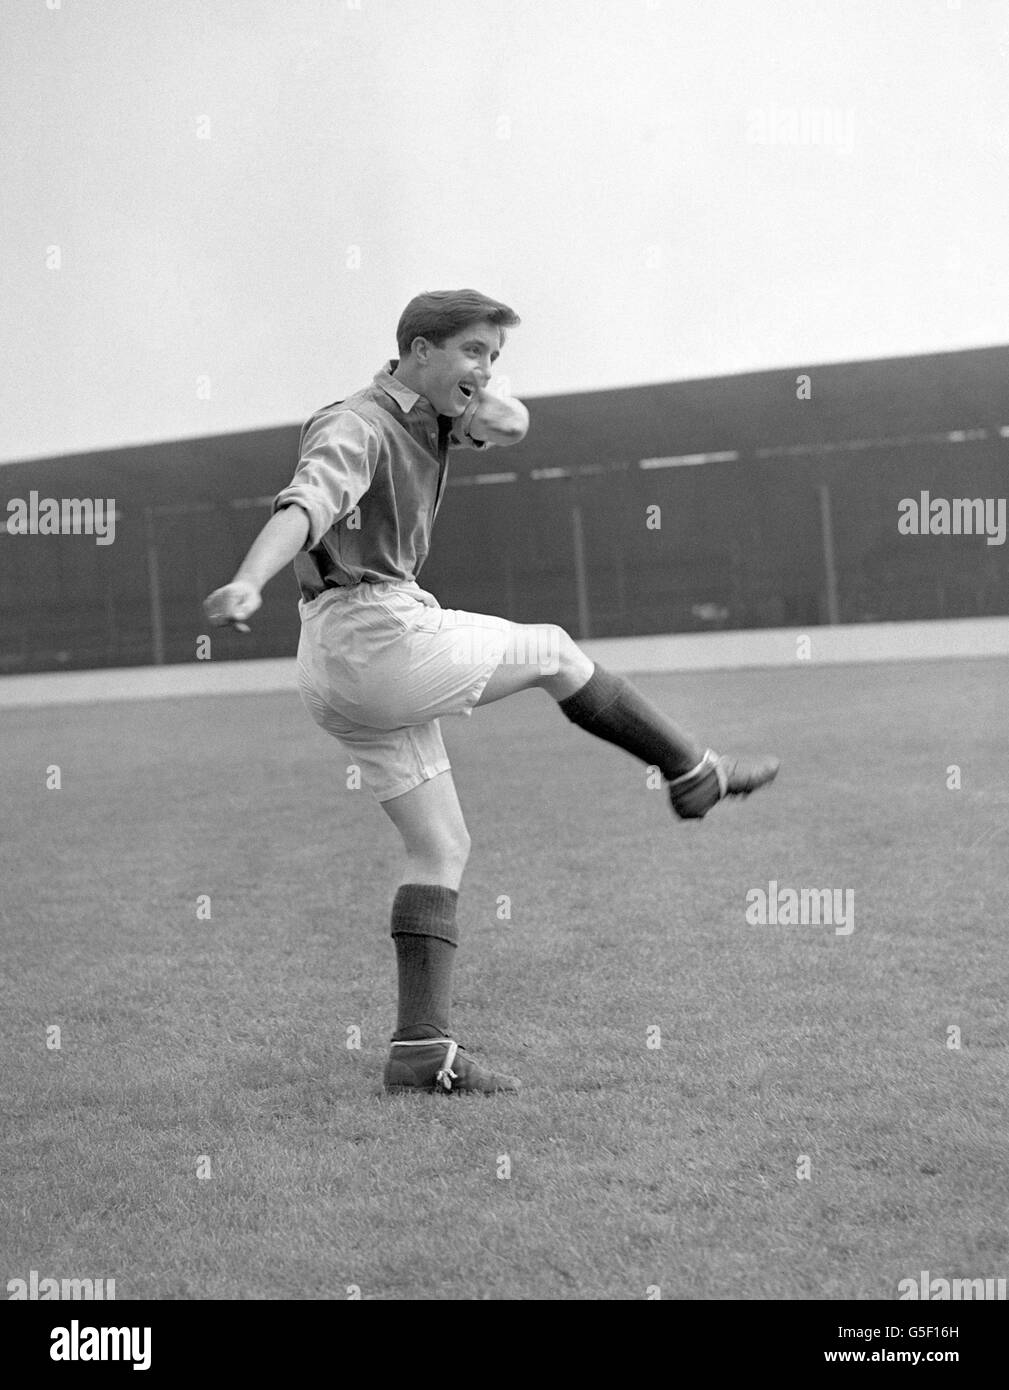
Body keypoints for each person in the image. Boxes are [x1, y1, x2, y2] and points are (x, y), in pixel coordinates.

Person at [203, 288, 779, 1097]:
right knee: (550, 651)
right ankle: (693, 773)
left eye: (494, 356)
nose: (483, 369)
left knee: (440, 846)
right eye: (471, 351)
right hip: (371, 635)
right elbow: (306, 504)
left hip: (339, 662)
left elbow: (513, 425)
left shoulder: (431, 414)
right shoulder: (357, 423)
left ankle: (419, 1051)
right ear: (418, 348)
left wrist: (473, 390)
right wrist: (246, 581)